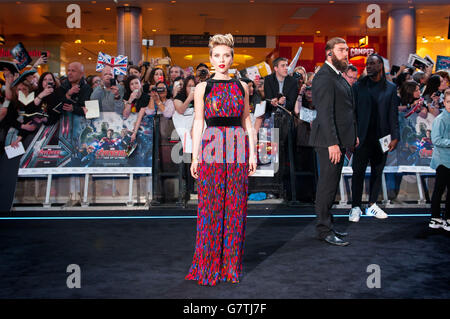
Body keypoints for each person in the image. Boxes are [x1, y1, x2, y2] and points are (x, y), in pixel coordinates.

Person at [186, 33, 257, 286]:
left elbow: (247, 120)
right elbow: (197, 122)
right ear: (211, 58)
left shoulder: (241, 86)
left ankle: (231, 267)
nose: (222, 60)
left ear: (232, 57)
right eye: (217, 55)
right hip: (211, 146)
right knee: (211, 208)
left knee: (236, 208)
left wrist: (254, 152)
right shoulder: (202, 88)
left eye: (226, 55)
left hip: (238, 145)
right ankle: (208, 265)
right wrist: (194, 157)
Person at [309, 37, 357, 246]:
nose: (345, 53)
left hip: (337, 140)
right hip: (328, 142)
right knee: (326, 187)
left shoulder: (336, 75)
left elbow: (345, 110)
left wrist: (351, 135)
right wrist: (333, 143)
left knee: (330, 186)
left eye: (346, 50)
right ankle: (323, 230)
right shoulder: (324, 77)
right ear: (329, 53)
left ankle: (328, 225)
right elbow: (325, 113)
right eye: (341, 50)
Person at [349, 53, 400, 222]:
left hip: (383, 138)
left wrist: (395, 137)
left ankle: (371, 205)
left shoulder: (391, 88)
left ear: (381, 66)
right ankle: (355, 206)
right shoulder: (358, 86)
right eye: (367, 64)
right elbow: (353, 114)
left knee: (378, 173)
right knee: (358, 173)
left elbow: (393, 115)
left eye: (372, 63)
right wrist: (352, 136)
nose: (368, 66)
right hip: (362, 137)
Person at [428, 88, 450, 231]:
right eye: (448, 102)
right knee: (439, 190)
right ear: (444, 102)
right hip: (443, 161)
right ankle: (436, 217)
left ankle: (446, 218)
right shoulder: (440, 119)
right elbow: (436, 140)